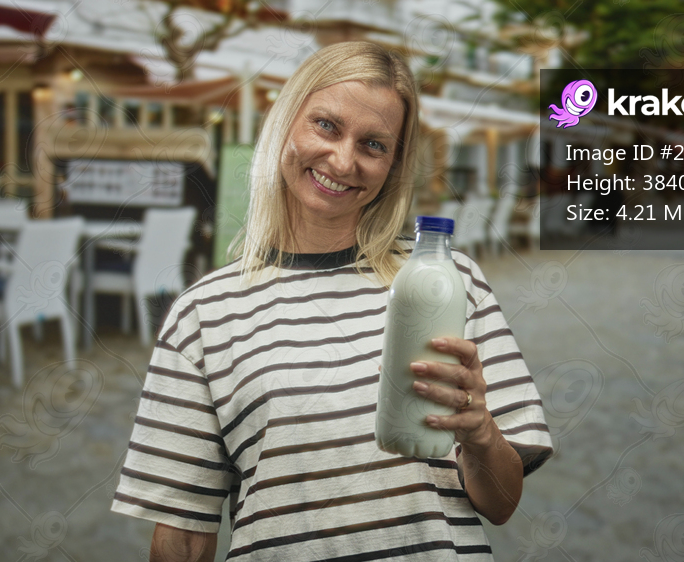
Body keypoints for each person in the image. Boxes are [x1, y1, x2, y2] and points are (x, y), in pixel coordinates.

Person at [111, 41, 552, 561]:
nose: (343, 161)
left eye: (373, 145)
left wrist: (480, 433)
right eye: (326, 126)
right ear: (285, 124)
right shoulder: (202, 315)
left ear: (393, 165)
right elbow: (184, 535)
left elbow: (501, 504)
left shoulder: (447, 282)